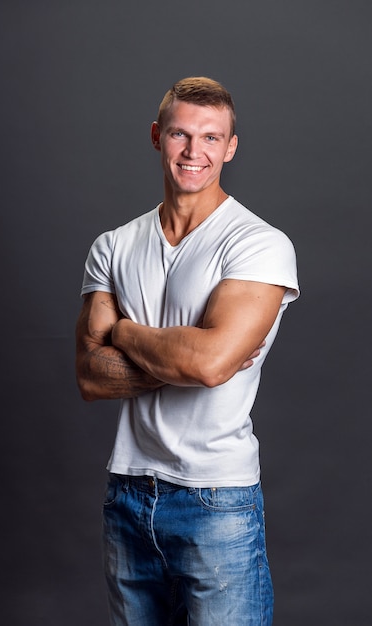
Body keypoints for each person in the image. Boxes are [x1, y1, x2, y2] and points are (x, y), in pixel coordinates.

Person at [75, 76, 299, 626]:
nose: (194, 152)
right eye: (180, 134)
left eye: (211, 137)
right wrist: (188, 357)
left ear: (230, 146)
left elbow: (208, 363)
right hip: (127, 491)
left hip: (216, 497)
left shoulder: (257, 243)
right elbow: (89, 375)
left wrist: (124, 333)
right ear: (157, 136)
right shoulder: (113, 245)